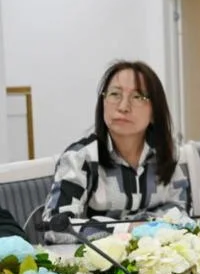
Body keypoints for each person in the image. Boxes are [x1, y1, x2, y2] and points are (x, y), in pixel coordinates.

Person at [43, 61, 189, 242]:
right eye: (115, 94)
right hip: (94, 258)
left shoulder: (165, 154)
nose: (123, 107)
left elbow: (181, 214)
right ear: (103, 102)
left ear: (154, 111)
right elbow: (54, 226)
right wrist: (126, 229)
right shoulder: (80, 158)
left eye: (137, 97)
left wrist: (148, 228)